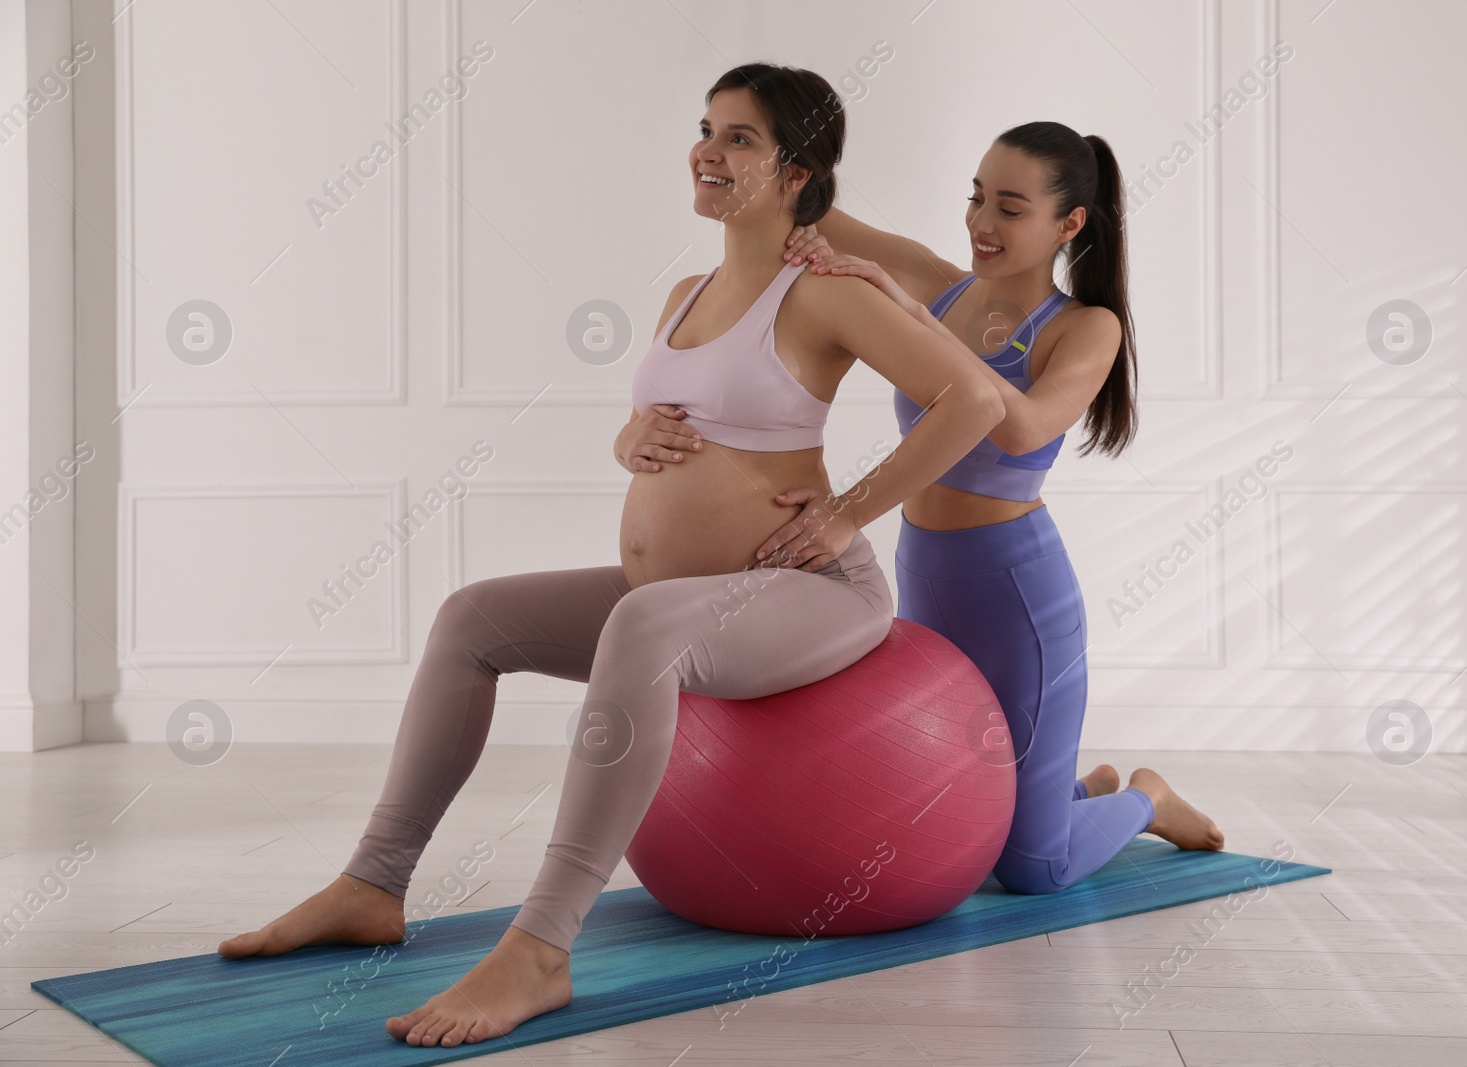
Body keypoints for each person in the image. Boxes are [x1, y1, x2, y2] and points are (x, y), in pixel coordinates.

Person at [215, 63, 1004, 1050]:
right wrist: (629, 439)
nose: (707, 151)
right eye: (706, 129)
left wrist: (848, 513)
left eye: (741, 139)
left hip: (805, 594)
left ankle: (542, 945)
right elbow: (693, 422)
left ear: (798, 173)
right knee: (472, 617)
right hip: (682, 591)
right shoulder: (687, 291)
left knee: (642, 622)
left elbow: (972, 399)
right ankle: (373, 881)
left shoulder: (825, 291)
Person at [621, 121, 1224, 901]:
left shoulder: (1085, 327)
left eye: (1010, 208)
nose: (981, 223)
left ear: (1068, 225)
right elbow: (794, 193)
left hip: (1017, 595)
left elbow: (1020, 425)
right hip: (922, 571)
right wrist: (746, 133)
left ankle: (1143, 796)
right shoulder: (935, 279)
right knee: (949, 797)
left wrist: (910, 312)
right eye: (976, 198)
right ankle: (1076, 790)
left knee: (1032, 872)